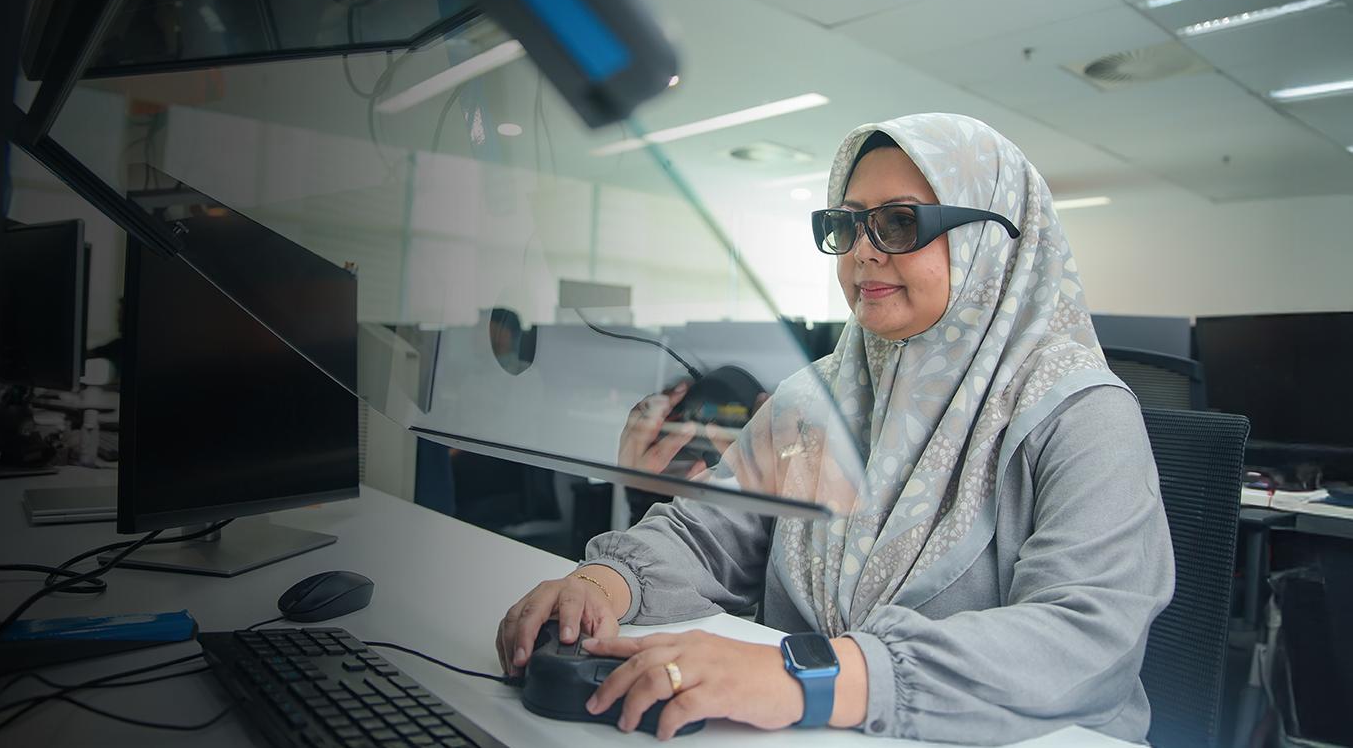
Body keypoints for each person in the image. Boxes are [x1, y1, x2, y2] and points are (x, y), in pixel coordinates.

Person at [493, 114, 1173, 743]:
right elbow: (708, 533)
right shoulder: (814, 396)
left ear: (989, 242)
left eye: (900, 224)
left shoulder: (1083, 414)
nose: (862, 254)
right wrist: (602, 585)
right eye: (846, 227)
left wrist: (807, 676)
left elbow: (1083, 638)